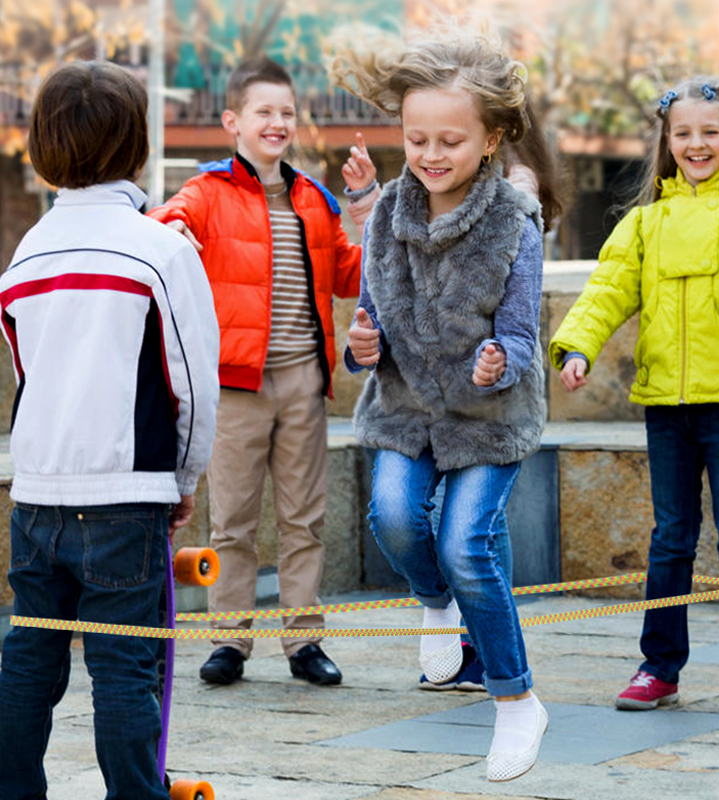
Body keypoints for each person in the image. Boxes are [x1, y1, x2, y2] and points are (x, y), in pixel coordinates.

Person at [330, 24, 550, 781]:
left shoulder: (513, 224)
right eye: (417, 137)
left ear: (490, 140)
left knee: (467, 542)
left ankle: (516, 700)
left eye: (450, 141)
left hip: (488, 417)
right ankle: (436, 603)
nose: (430, 154)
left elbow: (523, 333)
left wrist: (501, 360)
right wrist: (364, 347)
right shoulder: (388, 211)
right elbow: (371, 319)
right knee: (393, 515)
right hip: (404, 409)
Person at [0, 61, 219, 800]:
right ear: (138, 143)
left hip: (35, 492)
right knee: (124, 667)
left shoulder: (24, 256)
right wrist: (182, 483)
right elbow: (193, 385)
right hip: (127, 494)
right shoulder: (159, 248)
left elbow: (31, 373)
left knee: (29, 657)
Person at [549, 78, 719, 719]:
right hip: (666, 405)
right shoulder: (645, 223)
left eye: (710, 131)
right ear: (667, 140)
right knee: (670, 540)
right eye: (683, 132)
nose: (696, 143)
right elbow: (606, 290)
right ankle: (659, 667)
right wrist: (576, 347)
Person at [149, 55, 365, 687]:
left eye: (286, 113)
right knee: (233, 521)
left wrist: (368, 208)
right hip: (236, 387)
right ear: (233, 121)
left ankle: (303, 643)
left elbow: (353, 274)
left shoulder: (313, 197)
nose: (277, 123)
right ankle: (229, 642)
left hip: (303, 381)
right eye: (263, 112)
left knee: (305, 520)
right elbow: (166, 224)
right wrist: (178, 233)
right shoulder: (209, 191)